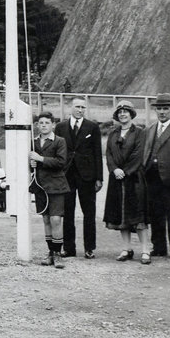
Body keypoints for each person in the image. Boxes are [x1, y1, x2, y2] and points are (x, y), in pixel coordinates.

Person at [54, 97, 103, 259]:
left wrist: (99, 178)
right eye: (77, 107)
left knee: (89, 212)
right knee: (67, 212)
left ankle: (89, 248)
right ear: (71, 108)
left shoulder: (92, 127)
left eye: (83, 107)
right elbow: (57, 150)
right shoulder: (61, 127)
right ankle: (69, 248)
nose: (80, 110)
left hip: (87, 176)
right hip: (66, 175)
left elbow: (97, 153)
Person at [103, 101, 151, 264]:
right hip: (116, 179)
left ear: (131, 114)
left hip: (134, 179)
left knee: (138, 215)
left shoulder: (139, 133)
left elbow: (138, 155)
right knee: (121, 215)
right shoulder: (113, 133)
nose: (123, 114)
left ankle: (145, 250)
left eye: (126, 112)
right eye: (120, 112)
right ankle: (126, 248)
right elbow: (109, 153)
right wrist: (114, 169)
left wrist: (126, 171)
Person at [142, 93, 170, 259]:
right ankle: (159, 247)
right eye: (159, 108)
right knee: (155, 213)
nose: (162, 112)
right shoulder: (150, 129)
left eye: (165, 108)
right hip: (152, 176)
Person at [29, 112, 69, 268]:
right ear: (37, 125)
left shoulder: (60, 141)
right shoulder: (34, 143)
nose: (44, 125)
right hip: (40, 186)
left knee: (56, 219)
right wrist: (31, 164)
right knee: (46, 219)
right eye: (41, 123)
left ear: (53, 125)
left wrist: (40, 159)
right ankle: (51, 252)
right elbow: (31, 165)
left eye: (47, 122)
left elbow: (61, 162)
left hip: (57, 186)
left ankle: (58, 254)